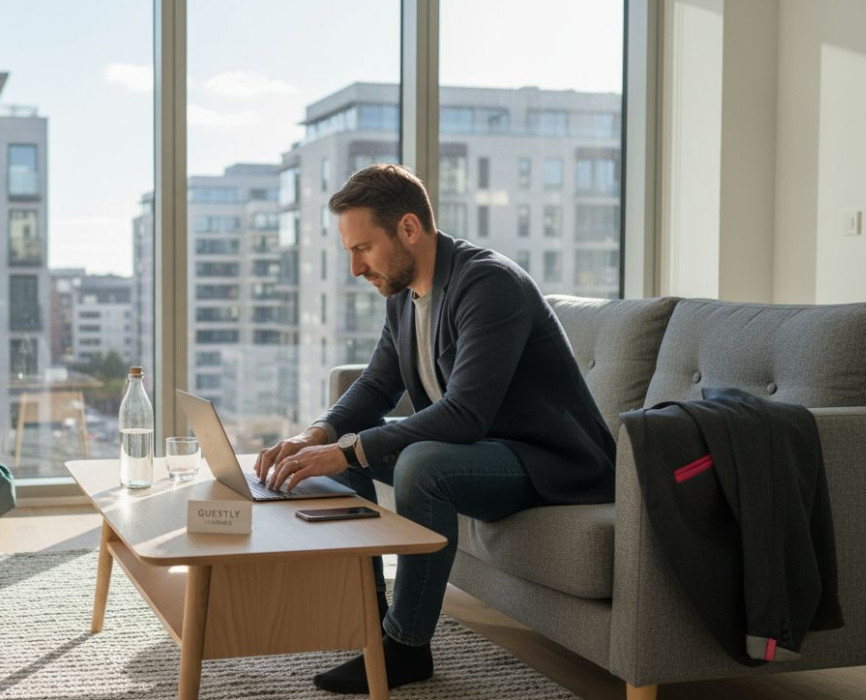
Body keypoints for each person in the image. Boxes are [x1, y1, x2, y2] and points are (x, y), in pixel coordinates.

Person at [254, 164, 616, 694]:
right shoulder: (403, 293)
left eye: (363, 249)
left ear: (407, 229)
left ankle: (406, 649)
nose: (355, 268)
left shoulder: (489, 284)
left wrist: (349, 450)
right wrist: (318, 434)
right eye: (349, 251)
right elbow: (378, 384)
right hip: (488, 450)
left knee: (417, 464)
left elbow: (465, 413)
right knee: (338, 453)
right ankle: (370, 623)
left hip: (553, 462)